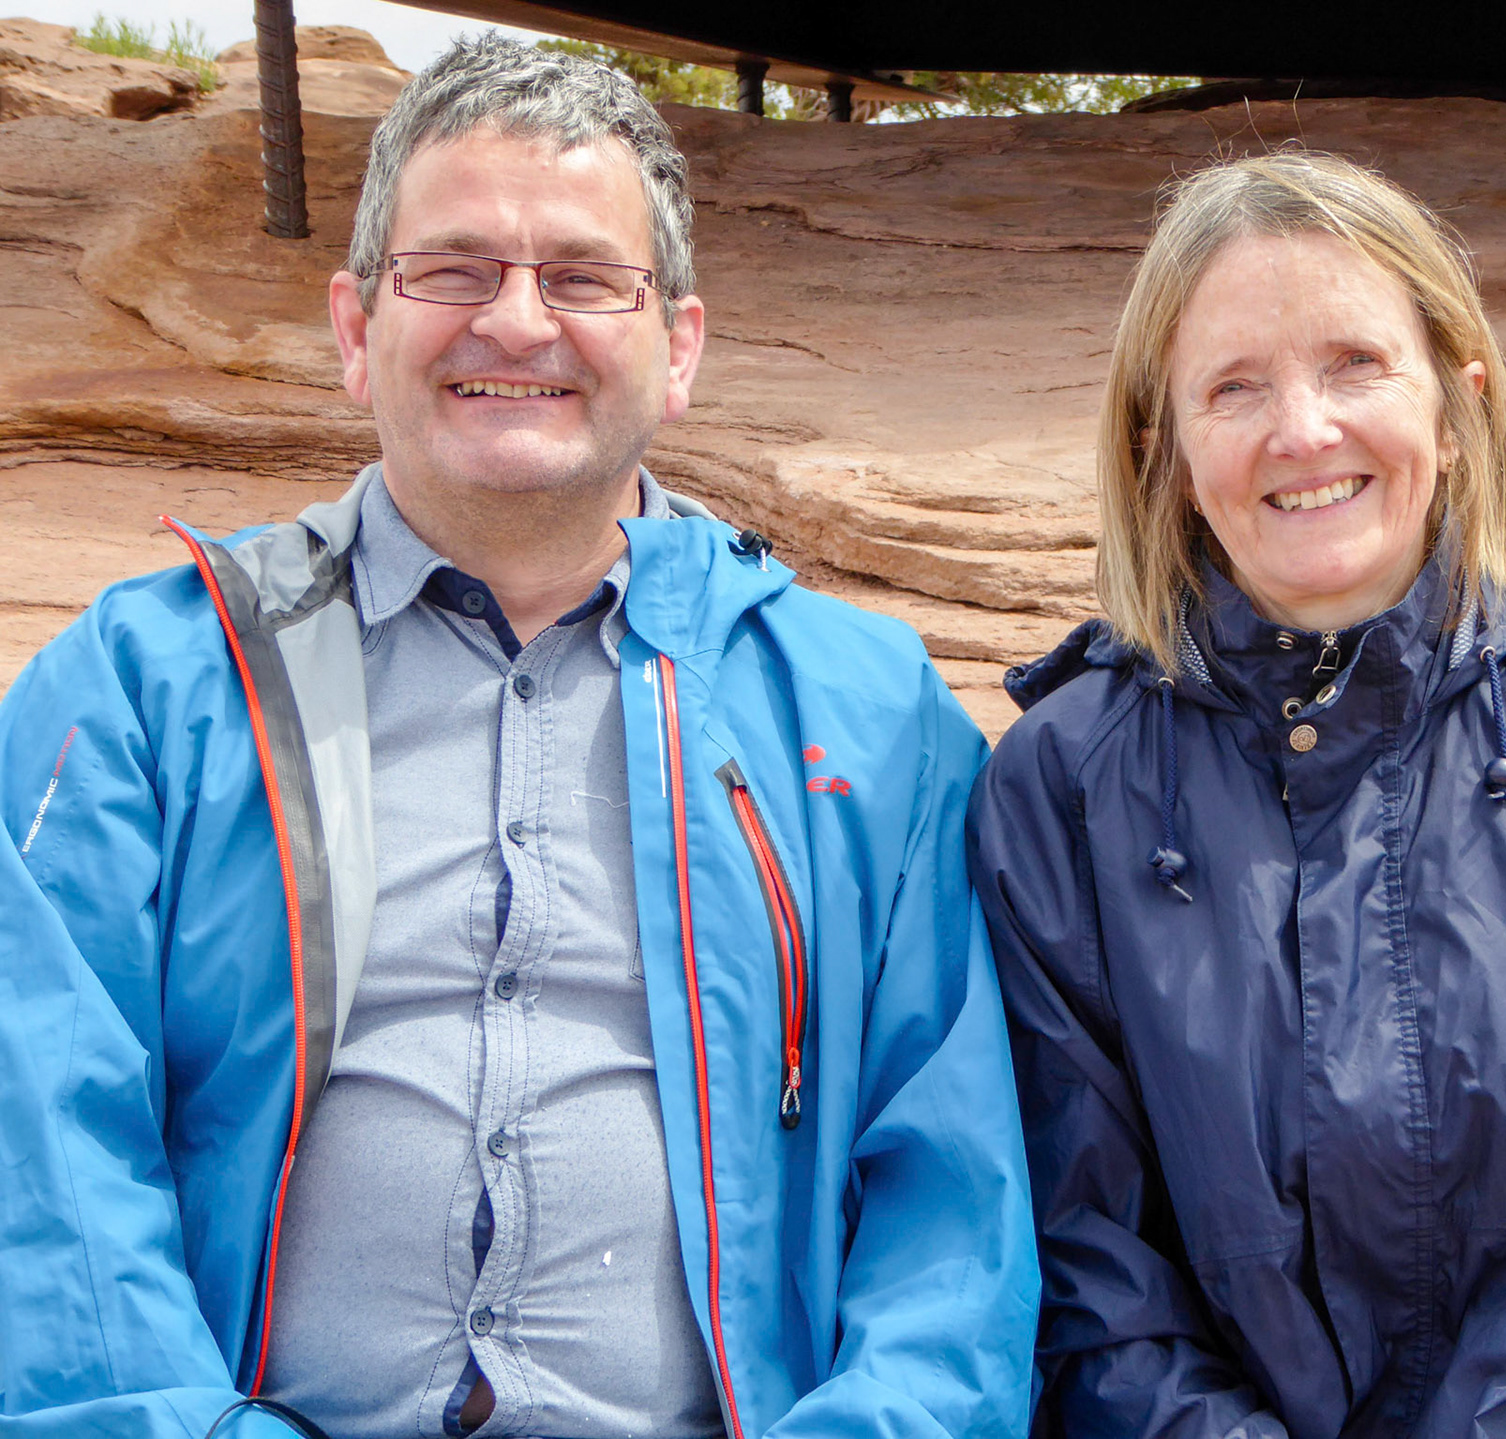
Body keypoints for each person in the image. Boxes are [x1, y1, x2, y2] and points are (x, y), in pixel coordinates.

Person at [0, 36, 1036, 1439]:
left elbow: (953, 1221)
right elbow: (46, 1171)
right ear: (358, 328)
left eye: (584, 277)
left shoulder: (865, 711)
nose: (518, 321)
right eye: (455, 270)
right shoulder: (143, 688)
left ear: (677, 347)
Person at [968, 152, 1506, 1438]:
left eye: (1355, 364)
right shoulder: (1062, 790)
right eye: (1235, 386)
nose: (1303, 430)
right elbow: (1088, 1287)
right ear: (1163, 448)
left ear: (1455, 403)